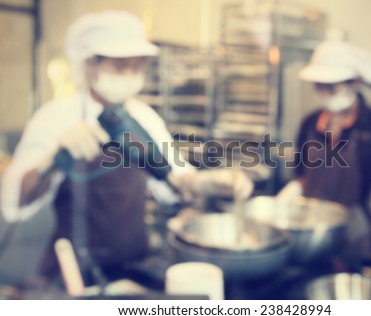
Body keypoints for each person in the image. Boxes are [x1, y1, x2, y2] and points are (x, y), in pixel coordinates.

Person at [0, 11, 253, 286]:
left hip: (133, 260)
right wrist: (50, 160)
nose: (131, 75)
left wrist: (209, 183)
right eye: (121, 66)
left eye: (138, 66)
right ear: (90, 64)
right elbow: (16, 201)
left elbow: (175, 178)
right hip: (71, 269)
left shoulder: (143, 117)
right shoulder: (55, 117)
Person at [278, 39, 371, 256]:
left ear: (354, 83)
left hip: (356, 229)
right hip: (311, 227)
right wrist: (295, 190)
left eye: (331, 86)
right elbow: (302, 173)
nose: (324, 92)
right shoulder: (310, 123)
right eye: (319, 86)